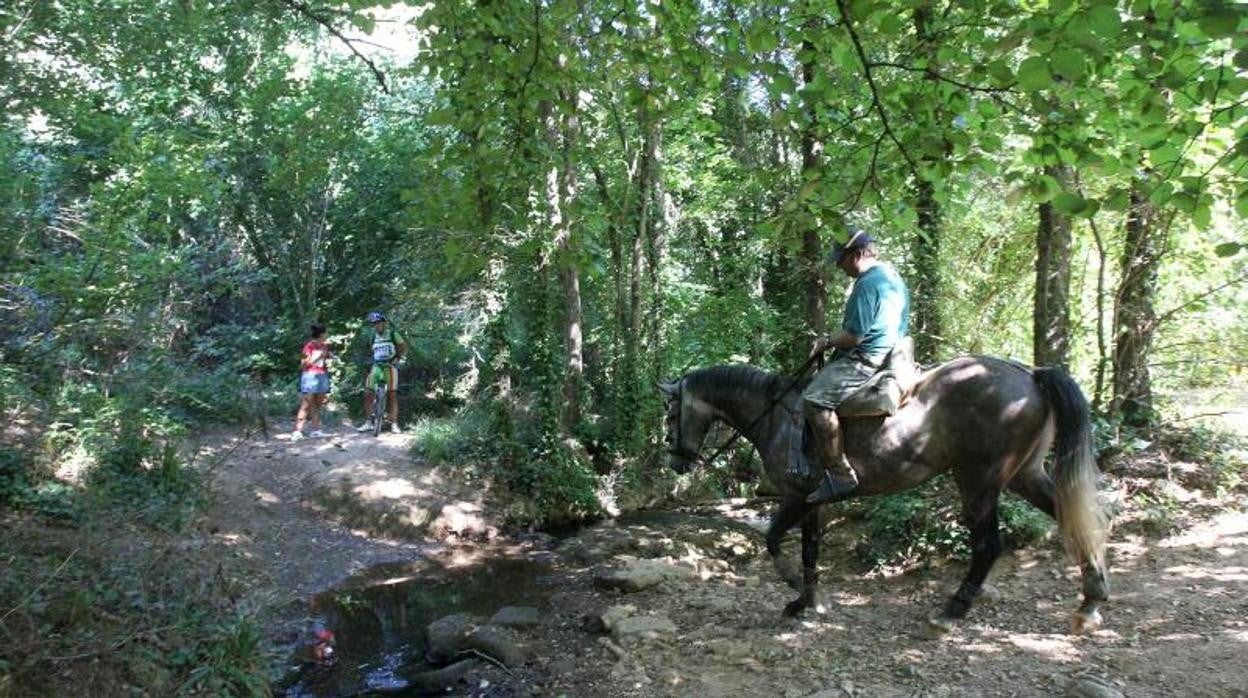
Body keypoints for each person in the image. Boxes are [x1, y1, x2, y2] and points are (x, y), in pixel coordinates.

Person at [802, 228, 911, 505]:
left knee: (814, 400)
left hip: (865, 358)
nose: (840, 266)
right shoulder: (892, 277)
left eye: (842, 259)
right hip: (890, 352)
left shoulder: (867, 283)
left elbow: (854, 335)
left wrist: (826, 341)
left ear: (859, 253)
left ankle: (840, 474)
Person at [356, 310, 407, 434]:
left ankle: (393, 423)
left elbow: (402, 347)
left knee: (392, 395)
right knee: (368, 392)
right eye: (374, 324)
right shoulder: (373, 336)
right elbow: (371, 350)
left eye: (378, 323)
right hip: (377, 366)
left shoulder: (393, 334)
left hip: (390, 366)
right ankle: (368, 422)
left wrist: (397, 358)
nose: (376, 325)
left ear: (384, 323)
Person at [293, 324, 332, 441]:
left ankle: (316, 430)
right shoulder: (308, 346)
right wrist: (317, 357)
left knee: (317, 404)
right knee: (306, 404)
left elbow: (325, 360)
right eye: (326, 333)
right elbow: (302, 364)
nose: (327, 335)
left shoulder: (325, 346)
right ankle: (297, 431)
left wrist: (329, 357)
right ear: (321, 334)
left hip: (322, 376)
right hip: (309, 376)